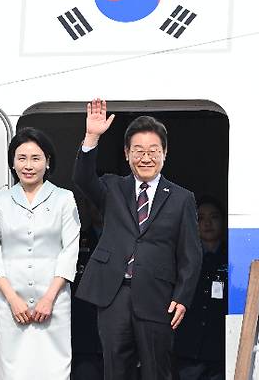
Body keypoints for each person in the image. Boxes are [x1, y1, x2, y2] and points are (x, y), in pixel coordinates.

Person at [73, 98, 202, 380]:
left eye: (153, 151)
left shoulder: (181, 198)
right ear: (127, 153)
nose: (146, 157)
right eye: (139, 151)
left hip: (158, 296)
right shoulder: (112, 187)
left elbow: (191, 254)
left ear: (164, 153)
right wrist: (91, 137)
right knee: (115, 370)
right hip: (114, 293)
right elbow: (82, 178)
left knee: (157, 369)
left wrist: (182, 297)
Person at [0, 127, 81, 380]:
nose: (28, 165)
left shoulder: (64, 198)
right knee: (16, 369)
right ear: (12, 162)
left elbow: (70, 250)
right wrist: (12, 299)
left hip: (54, 301)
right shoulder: (0, 201)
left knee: (55, 368)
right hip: (11, 302)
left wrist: (49, 298)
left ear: (47, 161)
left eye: (35, 158)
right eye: (22, 158)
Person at [174, 196, 227, 380]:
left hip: (221, 348)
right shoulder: (181, 257)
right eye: (200, 218)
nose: (207, 223)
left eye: (214, 217)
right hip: (188, 348)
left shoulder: (233, 257)